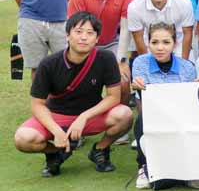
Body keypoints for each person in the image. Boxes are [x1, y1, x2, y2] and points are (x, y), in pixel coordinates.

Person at [14, 12, 133, 177]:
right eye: (78, 31)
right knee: (23, 139)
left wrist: (84, 117)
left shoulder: (106, 58)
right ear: (67, 35)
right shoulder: (49, 63)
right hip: (56, 115)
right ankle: (57, 152)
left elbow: (114, 97)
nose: (84, 37)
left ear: (97, 39)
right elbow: (37, 104)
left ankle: (100, 150)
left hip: (90, 117)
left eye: (90, 33)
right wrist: (56, 131)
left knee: (125, 115)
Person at [130, 22, 199, 189]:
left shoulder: (187, 67)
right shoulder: (140, 63)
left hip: (181, 118)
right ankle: (144, 167)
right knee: (141, 120)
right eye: (154, 42)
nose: (160, 48)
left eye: (166, 42)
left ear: (175, 43)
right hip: (154, 117)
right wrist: (136, 84)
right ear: (148, 42)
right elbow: (139, 92)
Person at [68, 0, 136, 105]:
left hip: (113, 41)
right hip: (86, 42)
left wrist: (121, 60)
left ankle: (120, 116)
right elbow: (77, 30)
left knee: (123, 81)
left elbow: (125, 29)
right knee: (79, 80)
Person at [128, 0, 194, 60]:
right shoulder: (134, 7)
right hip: (150, 47)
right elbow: (139, 40)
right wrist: (147, 66)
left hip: (178, 45)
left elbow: (187, 34)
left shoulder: (184, 3)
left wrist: (183, 64)